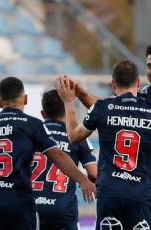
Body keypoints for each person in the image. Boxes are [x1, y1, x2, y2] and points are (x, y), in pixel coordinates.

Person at [55, 60, 151, 229]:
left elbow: (73, 136)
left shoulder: (102, 107)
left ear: (113, 84)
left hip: (109, 194)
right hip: (140, 195)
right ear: (137, 83)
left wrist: (69, 101)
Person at [0, 77, 96, 230]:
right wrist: (82, 180)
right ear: (25, 99)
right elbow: (57, 155)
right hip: (19, 204)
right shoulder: (32, 124)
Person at [32, 89, 98, 230]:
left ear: (43, 114)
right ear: (66, 112)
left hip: (33, 209)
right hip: (63, 210)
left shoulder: (32, 134)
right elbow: (94, 174)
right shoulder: (77, 136)